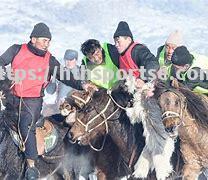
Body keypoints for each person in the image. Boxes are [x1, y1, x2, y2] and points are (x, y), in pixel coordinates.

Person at [0, 22, 95, 180]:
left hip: (32, 103)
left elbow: (64, 74)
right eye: (44, 40)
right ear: (33, 39)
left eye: (49, 41)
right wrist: (3, 83)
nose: (47, 43)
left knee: (26, 125)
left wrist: (82, 84)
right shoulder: (16, 49)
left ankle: (31, 167)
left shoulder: (49, 59)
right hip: (11, 99)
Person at [113, 21, 159, 91]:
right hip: (129, 89)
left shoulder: (137, 50)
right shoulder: (118, 54)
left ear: (129, 39)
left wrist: (143, 79)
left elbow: (152, 63)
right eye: (115, 42)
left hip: (145, 87)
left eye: (118, 41)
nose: (116, 45)